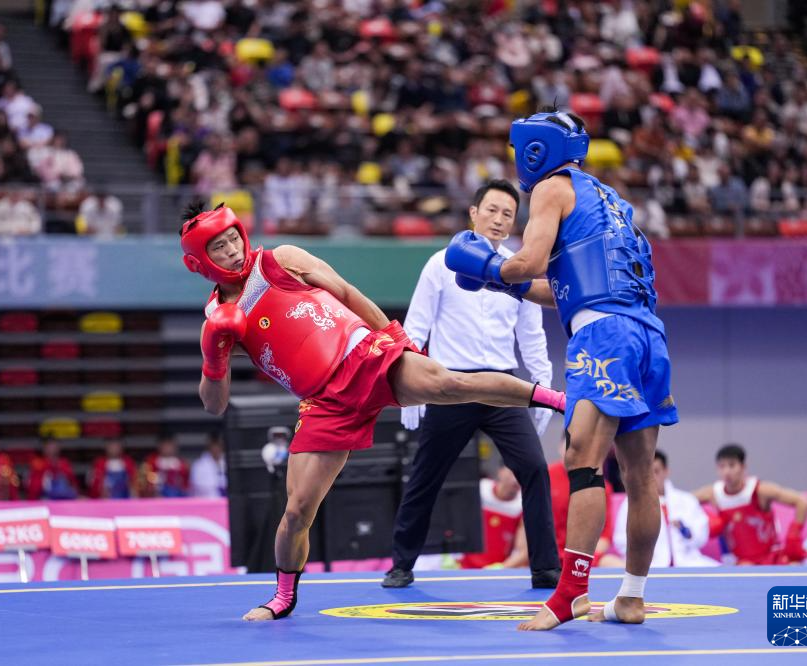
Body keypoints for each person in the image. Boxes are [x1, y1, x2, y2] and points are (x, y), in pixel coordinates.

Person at [180, 202, 566, 621]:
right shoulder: (217, 320)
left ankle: (561, 400)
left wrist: (396, 340)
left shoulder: (281, 260)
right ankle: (283, 597)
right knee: (296, 511)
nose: (232, 250)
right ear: (200, 261)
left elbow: (347, 293)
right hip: (323, 402)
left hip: (364, 355)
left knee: (450, 383)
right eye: (219, 247)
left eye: (233, 238)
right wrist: (215, 356)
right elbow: (214, 404)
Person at [447, 108, 679, 630]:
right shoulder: (608, 199)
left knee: (582, 462)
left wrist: (487, 264)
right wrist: (500, 282)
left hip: (605, 337)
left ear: (536, 151)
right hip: (646, 333)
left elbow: (527, 262)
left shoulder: (552, 188)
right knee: (640, 474)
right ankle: (632, 597)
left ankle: (571, 594)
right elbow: (568, 291)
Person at [382, 179, 560, 590]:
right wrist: (408, 389)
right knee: (426, 475)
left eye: (507, 214)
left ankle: (545, 568)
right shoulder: (440, 264)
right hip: (450, 385)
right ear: (474, 213)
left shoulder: (519, 269)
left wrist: (542, 388)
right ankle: (401, 564)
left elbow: (531, 335)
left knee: (535, 469)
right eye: (492, 210)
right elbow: (415, 328)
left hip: (502, 387)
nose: (498, 219)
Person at [693, 443, 807, 565]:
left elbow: (802, 502)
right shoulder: (712, 494)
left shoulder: (760, 490)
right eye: (722, 467)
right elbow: (682, 502)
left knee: (795, 565)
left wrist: (794, 535)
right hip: (742, 563)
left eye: (732, 465)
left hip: (771, 558)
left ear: (743, 467)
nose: (726, 472)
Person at [615, 450, 718, 567]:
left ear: (666, 471)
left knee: (721, 572)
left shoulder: (687, 500)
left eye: (656, 471)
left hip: (688, 563)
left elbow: (701, 535)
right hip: (650, 565)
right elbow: (620, 541)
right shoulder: (631, 503)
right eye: (647, 473)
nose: (651, 477)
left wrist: (686, 532)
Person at [548, 453, 623, 568]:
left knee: (616, 564)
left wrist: (583, 559)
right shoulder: (546, 476)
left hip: (585, 556)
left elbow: (604, 536)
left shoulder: (603, 487)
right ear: (561, 448)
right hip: (550, 555)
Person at [461, 467, 530, 570]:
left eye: (522, 475)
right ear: (500, 472)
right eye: (512, 473)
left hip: (495, 570)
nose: (515, 479)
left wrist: (500, 568)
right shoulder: (480, 489)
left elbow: (523, 552)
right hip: (464, 566)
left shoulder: (524, 505)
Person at [189, 432, 227, 498]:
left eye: (219, 445)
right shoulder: (199, 465)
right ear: (209, 446)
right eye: (214, 445)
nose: (216, 448)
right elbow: (199, 486)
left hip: (227, 500)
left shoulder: (228, 462)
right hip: (206, 501)